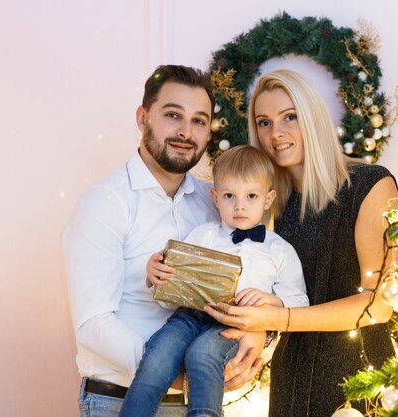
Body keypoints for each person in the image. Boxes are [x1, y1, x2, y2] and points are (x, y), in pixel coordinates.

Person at [63, 65, 266, 417]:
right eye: (173, 115)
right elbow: (92, 325)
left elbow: (252, 276)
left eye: (199, 121)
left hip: (196, 404)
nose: (185, 132)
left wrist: (256, 333)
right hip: (118, 400)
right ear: (143, 118)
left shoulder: (217, 202)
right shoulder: (104, 202)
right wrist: (177, 373)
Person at [204, 69, 398, 417]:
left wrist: (282, 318)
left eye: (289, 117)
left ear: (311, 117)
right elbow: (273, 294)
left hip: (360, 379)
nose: (276, 133)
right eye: (264, 122)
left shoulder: (371, 185)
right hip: (292, 379)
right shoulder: (272, 206)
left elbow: (379, 305)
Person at [119, 144, 309, 417]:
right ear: (215, 197)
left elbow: (299, 302)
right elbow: (174, 286)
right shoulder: (202, 235)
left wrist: (272, 300)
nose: (239, 205)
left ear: (268, 200)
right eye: (229, 195)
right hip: (189, 316)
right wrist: (156, 275)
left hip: (234, 323)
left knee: (202, 354)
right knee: (156, 356)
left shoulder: (279, 249)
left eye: (251, 196)